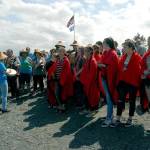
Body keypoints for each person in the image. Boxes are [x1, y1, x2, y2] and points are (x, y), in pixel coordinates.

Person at [110, 39, 141, 127]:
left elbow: (137, 71)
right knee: (120, 101)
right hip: (123, 82)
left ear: (131, 48)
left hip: (133, 83)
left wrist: (125, 70)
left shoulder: (137, 57)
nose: (123, 48)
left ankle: (130, 119)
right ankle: (118, 118)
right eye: (123, 47)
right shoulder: (123, 57)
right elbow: (120, 68)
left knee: (132, 101)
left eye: (125, 47)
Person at [99, 37, 119, 127]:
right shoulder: (106, 52)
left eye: (103, 43)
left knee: (109, 98)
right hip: (105, 77)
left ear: (108, 44)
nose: (102, 45)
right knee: (108, 98)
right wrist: (101, 65)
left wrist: (101, 65)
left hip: (109, 79)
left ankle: (109, 118)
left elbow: (113, 68)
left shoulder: (113, 53)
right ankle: (109, 115)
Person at [48, 47, 73, 112]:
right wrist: (52, 74)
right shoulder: (58, 60)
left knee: (62, 94)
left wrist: (63, 80)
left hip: (64, 80)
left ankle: (63, 106)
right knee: (57, 93)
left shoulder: (66, 60)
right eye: (59, 51)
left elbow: (67, 71)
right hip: (57, 79)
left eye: (61, 51)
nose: (60, 53)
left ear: (64, 52)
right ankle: (60, 105)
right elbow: (53, 68)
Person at [80, 45, 101, 116]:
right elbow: (84, 71)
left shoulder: (92, 61)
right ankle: (88, 109)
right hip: (87, 83)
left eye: (85, 51)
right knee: (87, 97)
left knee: (93, 98)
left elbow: (92, 75)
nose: (84, 52)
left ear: (90, 52)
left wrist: (85, 81)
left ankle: (93, 110)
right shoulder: (88, 60)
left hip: (91, 84)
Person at [139, 36, 150, 113]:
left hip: (148, 78)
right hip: (146, 78)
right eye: (148, 40)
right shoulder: (147, 51)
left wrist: (145, 73)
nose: (148, 42)